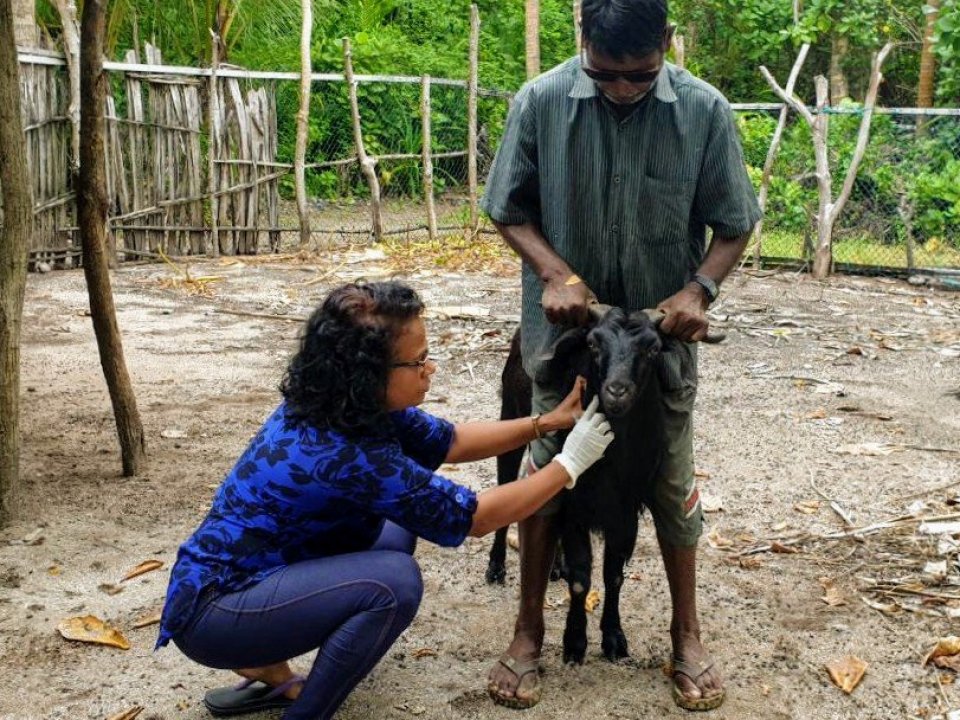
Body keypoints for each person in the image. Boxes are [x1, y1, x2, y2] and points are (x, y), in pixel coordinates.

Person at [155, 281, 614, 720]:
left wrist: (546, 423)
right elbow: (475, 517)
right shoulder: (345, 453)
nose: (429, 369)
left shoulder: (346, 405)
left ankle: (267, 669)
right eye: (418, 362)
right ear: (368, 373)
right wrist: (568, 465)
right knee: (393, 583)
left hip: (251, 578)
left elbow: (451, 441)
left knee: (393, 533)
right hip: (215, 611)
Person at [481, 0, 761, 712]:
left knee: (669, 481)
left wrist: (699, 289)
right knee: (549, 476)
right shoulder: (540, 101)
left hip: (658, 352)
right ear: (583, 45)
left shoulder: (704, 111)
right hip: (566, 348)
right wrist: (553, 273)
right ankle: (527, 635)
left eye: (639, 76)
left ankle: (687, 636)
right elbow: (507, 207)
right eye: (606, 76)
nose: (622, 91)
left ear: (666, 45)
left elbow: (735, 224)